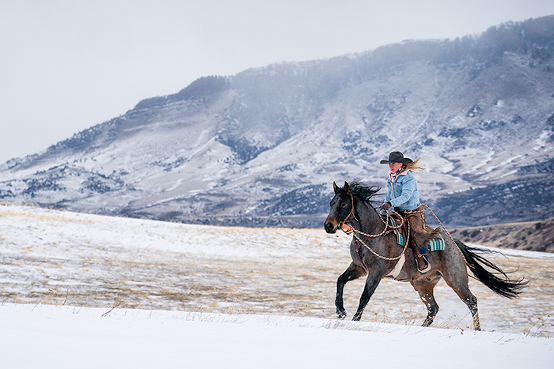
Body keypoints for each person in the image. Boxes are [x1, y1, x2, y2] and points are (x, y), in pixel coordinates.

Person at [378, 151, 435, 273]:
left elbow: (406, 196)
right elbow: (388, 195)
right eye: (390, 163)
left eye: (394, 163)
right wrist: (384, 211)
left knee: (415, 233)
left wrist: (390, 204)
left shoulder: (409, 179)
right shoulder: (391, 177)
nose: (391, 165)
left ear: (401, 164)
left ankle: (423, 261)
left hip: (412, 212)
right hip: (398, 211)